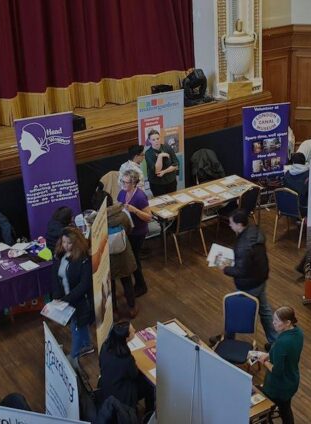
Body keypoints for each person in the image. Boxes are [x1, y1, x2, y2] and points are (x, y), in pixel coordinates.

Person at [220, 210, 277, 344]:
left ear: (240, 225)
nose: (230, 225)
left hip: (249, 283)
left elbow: (241, 271)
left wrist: (225, 269)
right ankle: (274, 340)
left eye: (231, 223)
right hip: (260, 277)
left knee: (236, 309)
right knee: (264, 309)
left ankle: (228, 339)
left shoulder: (244, 247)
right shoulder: (254, 231)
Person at [51, 227, 97, 361]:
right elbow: (55, 276)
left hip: (81, 301)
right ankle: (87, 345)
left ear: (76, 243)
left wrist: (66, 299)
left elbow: (84, 285)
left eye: (69, 243)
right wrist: (57, 295)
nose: (65, 246)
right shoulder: (60, 255)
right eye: (63, 242)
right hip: (66, 299)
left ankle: (74, 356)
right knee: (79, 326)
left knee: (76, 328)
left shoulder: (84, 260)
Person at [254, 306, 304, 424]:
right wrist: (269, 354)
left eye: (276, 321)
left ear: (287, 323)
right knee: (285, 409)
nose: (273, 323)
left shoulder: (282, 343)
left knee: (264, 410)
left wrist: (264, 361)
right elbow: (284, 354)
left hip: (278, 387)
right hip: (291, 381)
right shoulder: (298, 333)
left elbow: (277, 371)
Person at [98, 322, 155, 414]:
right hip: (122, 395)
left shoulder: (105, 346)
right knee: (149, 385)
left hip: (106, 385)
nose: (135, 331)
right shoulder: (126, 359)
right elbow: (134, 374)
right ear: (126, 338)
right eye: (132, 331)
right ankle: (149, 412)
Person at [117, 169, 151, 297]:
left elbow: (148, 217)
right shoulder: (122, 193)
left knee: (135, 259)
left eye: (126, 182)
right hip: (127, 231)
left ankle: (141, 285)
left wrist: (135, 210)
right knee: (132, 259)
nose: (124, 184)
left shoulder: (140, 197)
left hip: (138, 232)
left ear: (134, 183)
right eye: (123, 181)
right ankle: (138, 284)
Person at [145, 129, 179, 196]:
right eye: (153, 140)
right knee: (160, 203)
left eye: (157, 138)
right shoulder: (148, 153)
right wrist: (160, 156)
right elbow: (157, 170)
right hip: (157, 184)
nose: (156, 141)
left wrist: (164, 171)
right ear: (149, 141)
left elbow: (175, 164)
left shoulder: (167, 148)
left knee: (172, 201)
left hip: (171, 181)